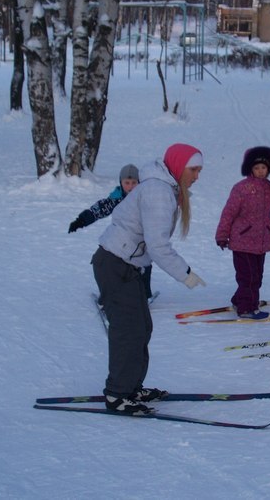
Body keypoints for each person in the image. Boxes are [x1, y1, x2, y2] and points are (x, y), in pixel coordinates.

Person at [91, 143, 206, 414]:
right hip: (115, 265)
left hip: (126, 266)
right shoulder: (158, 192)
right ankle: (118, 394)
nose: (196, 177)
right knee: (128, 331)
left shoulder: (165, 189)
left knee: (141, 327)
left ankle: (131, 386)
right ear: (178, 166)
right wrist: (185, 274)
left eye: (200, 171)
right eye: (194, 169)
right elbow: (157, 246)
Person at [215, 146, 270, 319]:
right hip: (242, 240)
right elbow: (229, 212)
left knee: (256, 276)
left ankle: (240, 299)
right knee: (248, 278)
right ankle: (247, 308)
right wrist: (222, 235)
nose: (260, 171)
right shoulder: (241, 188)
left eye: (264, 168)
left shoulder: (269, 188)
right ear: (250, 168)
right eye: (256, 168)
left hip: (261, 240)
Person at [69, 165, 155, 299]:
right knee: (109, 263)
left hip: (141, 239)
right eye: (127, 183)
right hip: (120, 238)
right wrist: (80, 221)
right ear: (121, 182)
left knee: (145, 263)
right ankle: (109, 294)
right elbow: (99, 209)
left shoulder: (145, 198)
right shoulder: (117, 198)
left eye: (134, 183)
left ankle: (144, 295)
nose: (131, 186)